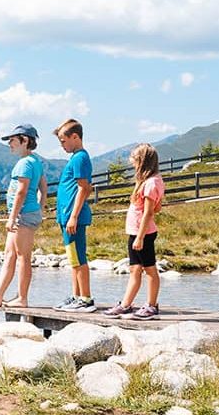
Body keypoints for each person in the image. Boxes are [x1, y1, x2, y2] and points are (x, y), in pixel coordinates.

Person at [0, 124, 45, 309]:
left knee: (23, 257)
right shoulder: (35, 161)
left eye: (13, 140)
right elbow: (43, 187)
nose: (10, 144)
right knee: (10, 255)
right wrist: (40, 208)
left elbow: (21, 192)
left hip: (22, 215)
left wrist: (12, 217)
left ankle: (22, 298)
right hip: (26, 213)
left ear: (25, 140)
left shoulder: (25, 163)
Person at [104, 144, 164, 320]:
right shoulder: (148, 182)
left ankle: (152, 306)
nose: (132, 163)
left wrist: (140, 237)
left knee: (150, 270)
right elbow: (157, 207)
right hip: (136, 233)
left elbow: (149, 212)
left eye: (134, 160)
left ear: (143, 161)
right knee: (134, 269)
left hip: (142, 234)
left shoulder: (151, 183)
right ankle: (125, 304)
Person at [52, 119, 96, 311]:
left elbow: (84, 188)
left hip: (73, 217)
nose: (62, 145)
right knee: (73, 258)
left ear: (75, 137)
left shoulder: (80, 158)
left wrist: (74, 216)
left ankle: (86, 298)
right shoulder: (75, 158)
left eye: (63, 140)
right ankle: (76, 295)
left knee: (79, 257)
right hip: (66, 216)